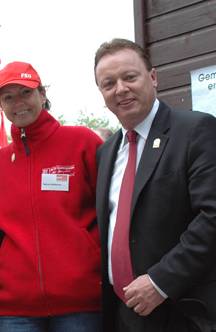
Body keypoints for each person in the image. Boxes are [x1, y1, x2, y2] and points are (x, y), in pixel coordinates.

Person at [95, 38, 216, 332]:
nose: (120, 88)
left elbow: (212, 216)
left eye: (130, 77)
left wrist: (161, 281)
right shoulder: (105, 152)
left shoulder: (196, 130)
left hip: (183, 310)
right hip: (124, 314)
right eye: (108, 83)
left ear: (153, 78)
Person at [0, 61, 103, 332]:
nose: (18, 102)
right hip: (17, 309)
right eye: (8, 97)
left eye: (26, 92)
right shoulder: (0, 161)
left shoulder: (82, 142)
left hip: (81, 304)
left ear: (42, 94)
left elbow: (112, 213)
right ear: (1, 106)